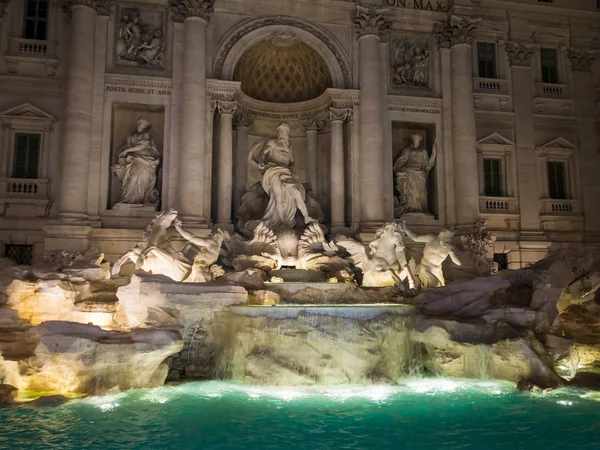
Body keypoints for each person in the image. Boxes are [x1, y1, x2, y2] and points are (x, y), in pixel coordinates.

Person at [249, 122, 317, 229]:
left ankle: (306, 217)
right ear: (278, 132)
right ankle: (281, 222)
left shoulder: (289, 147)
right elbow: (262, 153)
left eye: (285, 131)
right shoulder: (273, 142)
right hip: (273, 171)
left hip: (287, 172)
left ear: (288, 133)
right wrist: (261, 161)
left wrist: (294, 173)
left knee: (297, 193)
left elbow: (292, 162)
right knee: (278, 196)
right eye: (281, 131)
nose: (283, 133)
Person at [112, 118, 161, 205]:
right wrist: (123, 154)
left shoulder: (146, 135)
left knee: (141, 180)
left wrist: (126, 151)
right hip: (134, 160)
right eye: (140, 124)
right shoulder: (132, 136)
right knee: (133, 177)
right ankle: (128, 198)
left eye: (143, 124)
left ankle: (141, 199)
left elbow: (142, 146)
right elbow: (127, 146)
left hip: (146, 161)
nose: (140, 126)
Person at [394, 133, 436, 215]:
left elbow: (427, 165)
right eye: (414, 138)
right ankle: (409, 207)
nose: (415, 140)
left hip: (420, 174)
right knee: (410, 190)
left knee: (420, 193)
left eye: (417, 138)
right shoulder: (408, 150)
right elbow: (400, 162)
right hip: (409, 172)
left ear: (420, 139)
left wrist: (434, 154)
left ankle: (419, 209)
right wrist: (399, 169)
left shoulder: (424, 152)